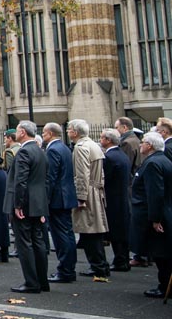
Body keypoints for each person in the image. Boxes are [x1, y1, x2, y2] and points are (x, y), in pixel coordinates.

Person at [5, 121, 49, 294]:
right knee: (38, 241)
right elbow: (46, 180)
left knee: (24, 242)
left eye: (17, 130)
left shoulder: (24, 151)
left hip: (25, 203)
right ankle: (42, 280)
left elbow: (20, 180)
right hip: (38, 202)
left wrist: (18, 204)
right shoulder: (40, 151)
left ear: (22, 132)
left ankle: (31, 282)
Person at [131, 132, 172, 299]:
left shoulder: (153, 163)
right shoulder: (162, 160)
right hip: (163, 212)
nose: (140, 145)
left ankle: (164, 287)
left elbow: (155, 193)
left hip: (158, 215)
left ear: (149, 145)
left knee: (161, 254)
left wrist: (155, 219)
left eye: (142, 142)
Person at [68, 119, 109, 279]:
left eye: (70, 129)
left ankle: (98, 266)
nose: (67, 131)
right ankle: (101, 265)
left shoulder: (81, 147)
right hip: (96, 189)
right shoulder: (93, 145)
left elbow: (82, 174)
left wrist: (81, 197)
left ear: (76, 132)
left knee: (89, 230)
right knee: (94, 230)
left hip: (88, 191)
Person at [42, 122, 77, 284]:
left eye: (43, 133)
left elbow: (50, 178)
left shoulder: (53, 150)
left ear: (50, 134)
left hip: (57, 198)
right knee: (67, 233)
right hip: (66, 195)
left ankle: (65, 269)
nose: (42, 136)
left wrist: (45, 200)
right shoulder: (64, 148)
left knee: (61, 235)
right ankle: (69, 267)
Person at [99, 128, 131, 272]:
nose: (100, 141)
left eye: (102, 138)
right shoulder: (122, 155)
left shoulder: (110, 158)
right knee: (122, 230)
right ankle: (123, 258)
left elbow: (105, 178)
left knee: (116, 231)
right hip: (122, 196)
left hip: (113, 198)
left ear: (108, 140)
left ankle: (120, 260)